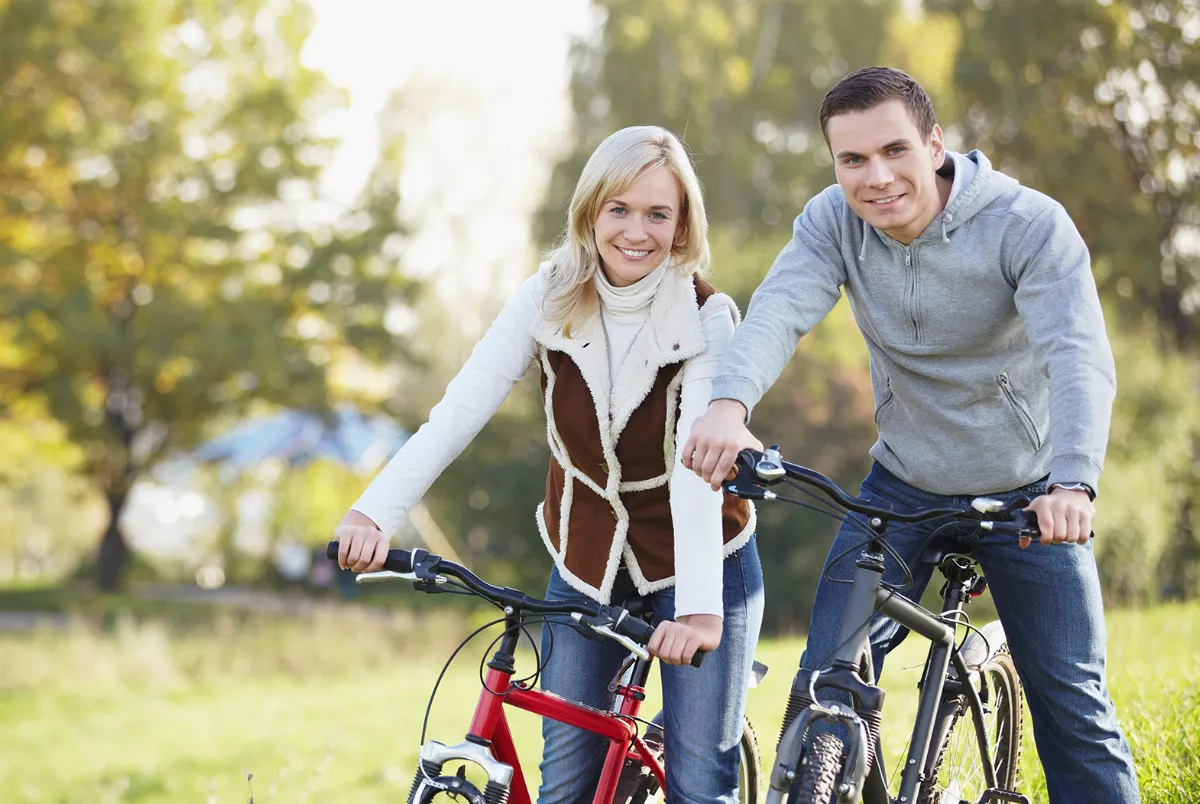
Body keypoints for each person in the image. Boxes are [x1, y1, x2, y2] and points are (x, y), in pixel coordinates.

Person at [684, 67, 1139, 802]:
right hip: (901, 486)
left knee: (1075, 712)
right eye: (853, 160)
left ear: (935, 144)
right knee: (823, 687)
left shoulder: (1027, 225)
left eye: (894, 150)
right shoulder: (833, 221)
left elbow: (1077, 357)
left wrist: (1073, 482)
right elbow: (779, 309)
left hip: (1028, 497)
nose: (877, 177)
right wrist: (728, 406)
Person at [335, 125, 764, 804]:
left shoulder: (708, 318)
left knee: (698, 784)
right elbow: (459, 410)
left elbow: (694, 470)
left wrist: (702, 611)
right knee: (565, 786)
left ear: (683, 226)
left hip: (698, 562)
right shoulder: (548, 294)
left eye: (659, 213)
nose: (636, 231)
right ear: (589, 210)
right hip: (586, 560)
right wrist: (375, 512)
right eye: (618, 208)